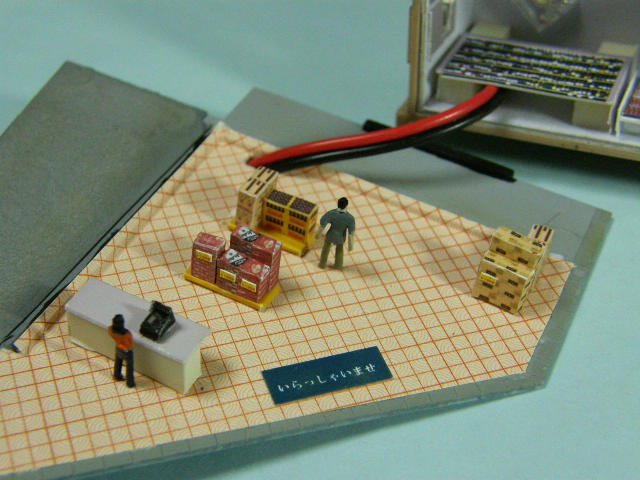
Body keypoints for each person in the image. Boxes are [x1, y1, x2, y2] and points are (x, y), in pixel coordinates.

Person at [318, 197, 356, 269]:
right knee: (339, 251)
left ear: (338, 204)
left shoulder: (331, 213)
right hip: (340, 238)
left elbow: (322, 223)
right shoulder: (350, 218)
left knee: (325, 249)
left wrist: (317, 235)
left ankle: (322, 264)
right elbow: (351, 233)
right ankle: (338, 265)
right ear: (346, 205)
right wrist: (350, 246)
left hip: (330, 235)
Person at [107, 314, 135, 387]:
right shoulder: (126, 334)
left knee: (118, 363)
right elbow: (129, 343)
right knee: (129, 367)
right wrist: (128, 349)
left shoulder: (110, 329)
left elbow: (110, 333)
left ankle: (117, 376)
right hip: (127, 351)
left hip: (118, 348)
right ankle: (130, 383)